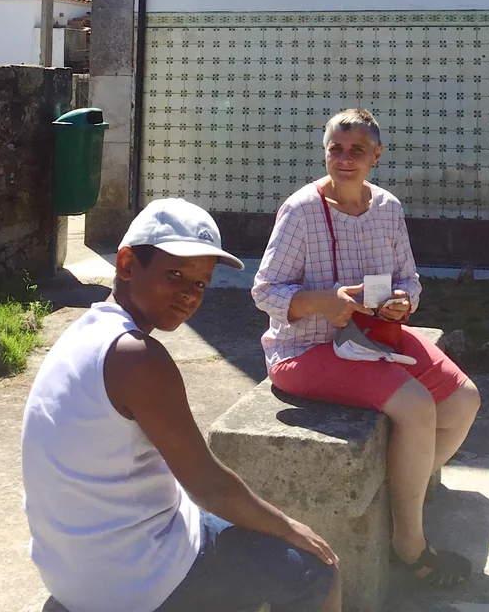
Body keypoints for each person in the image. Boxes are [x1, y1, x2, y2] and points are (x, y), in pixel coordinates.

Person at [21, 198, 340, 612]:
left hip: (69, 570)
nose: (189, 294)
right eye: (175, 274)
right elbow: (210, 487)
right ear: (127, 264)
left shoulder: (85, 332)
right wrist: (291, 529)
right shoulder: (137, 357)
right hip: (131, 582)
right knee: (317, 568)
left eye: (201, 283)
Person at [252, 109, 481, 589]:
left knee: (463, 400)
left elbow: (409, 279)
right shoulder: (300, 211)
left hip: (374, 337)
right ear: (325, 152)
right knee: (416, 405)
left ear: (377, 155)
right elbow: (264, 291)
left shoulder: (387, 208)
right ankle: (410, 547)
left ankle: (399, 497)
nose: (345, 159)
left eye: (357, 150)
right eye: (336, 149)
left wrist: (403, 302)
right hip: (305, 349)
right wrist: (324, 302)